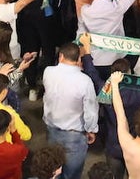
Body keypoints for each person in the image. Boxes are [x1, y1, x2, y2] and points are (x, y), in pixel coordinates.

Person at [42, 42, 98, 179]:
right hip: (75, 136)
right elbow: (90, 109)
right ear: (79, 59)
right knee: (71, 175)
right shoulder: (85, 81)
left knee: (52, 172)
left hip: (51, 130)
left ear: (61, 56)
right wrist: (91, 129)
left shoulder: (48, 72)